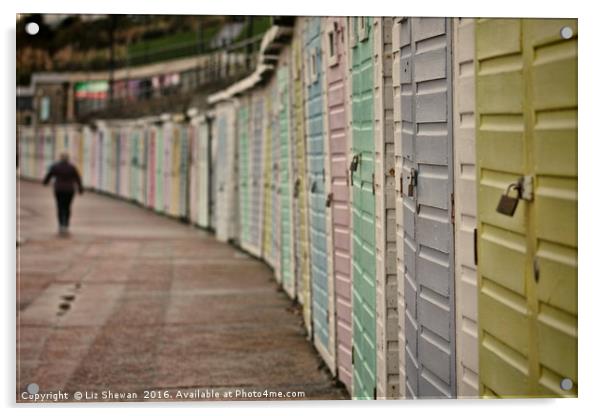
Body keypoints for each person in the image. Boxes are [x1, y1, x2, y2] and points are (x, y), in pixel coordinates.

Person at [43, 153, 84, 235]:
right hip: (69, 190)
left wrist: (45, 182)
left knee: (60, 206)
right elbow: (77, 178)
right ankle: (66, 224)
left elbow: (49, 175)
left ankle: (61, 224)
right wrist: (80, 188)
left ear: (60, 159)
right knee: (67, 207)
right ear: (68, 159)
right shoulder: (72, 168)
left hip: (59, 189)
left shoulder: (56, 167)